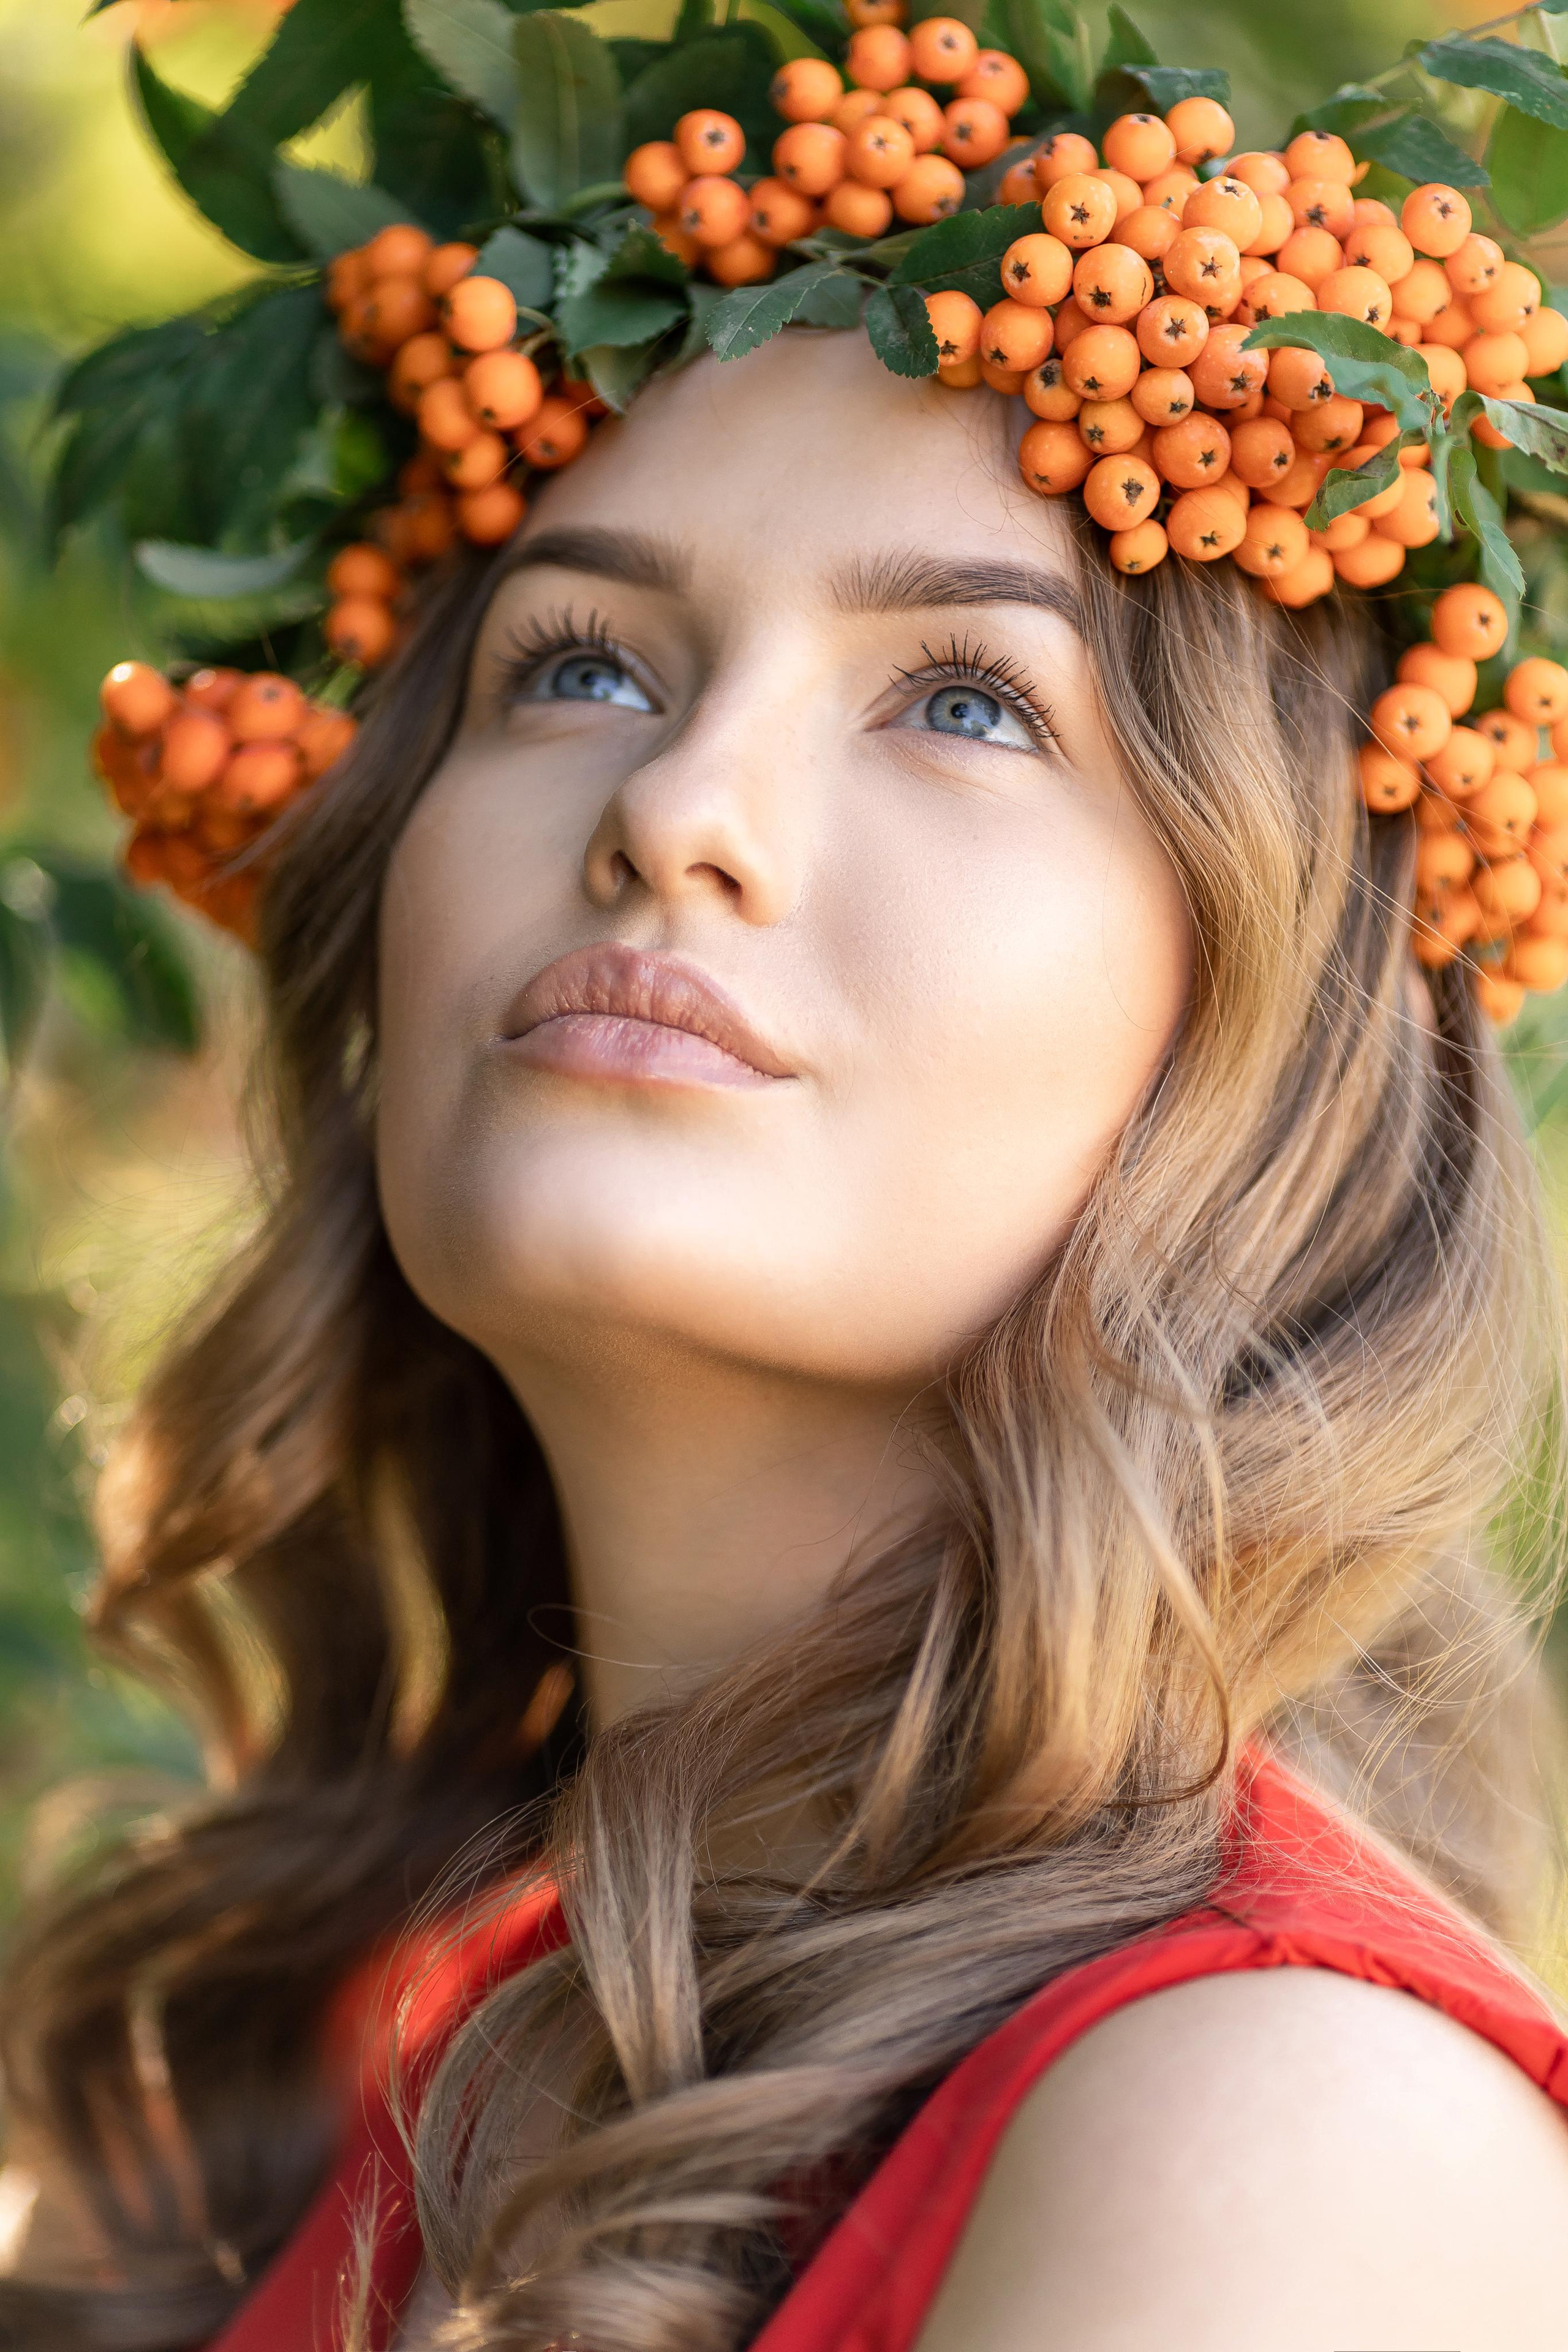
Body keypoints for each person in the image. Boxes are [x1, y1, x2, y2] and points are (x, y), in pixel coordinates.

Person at [5, 10, 1568, 2350]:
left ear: (1273, 1028)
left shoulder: (1273, 2129)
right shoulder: (395, 2034)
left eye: (965, 699)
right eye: (580, 669)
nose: (677, 807)